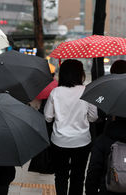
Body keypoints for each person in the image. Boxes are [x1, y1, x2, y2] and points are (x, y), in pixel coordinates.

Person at [44, 59, 98, 195]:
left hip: (59, 141)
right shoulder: (87, 91)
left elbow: (48, 117)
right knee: (78, 176)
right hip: (82, 141)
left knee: (61, 176)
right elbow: (94, 117)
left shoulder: (55, 92)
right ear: (80, 74)